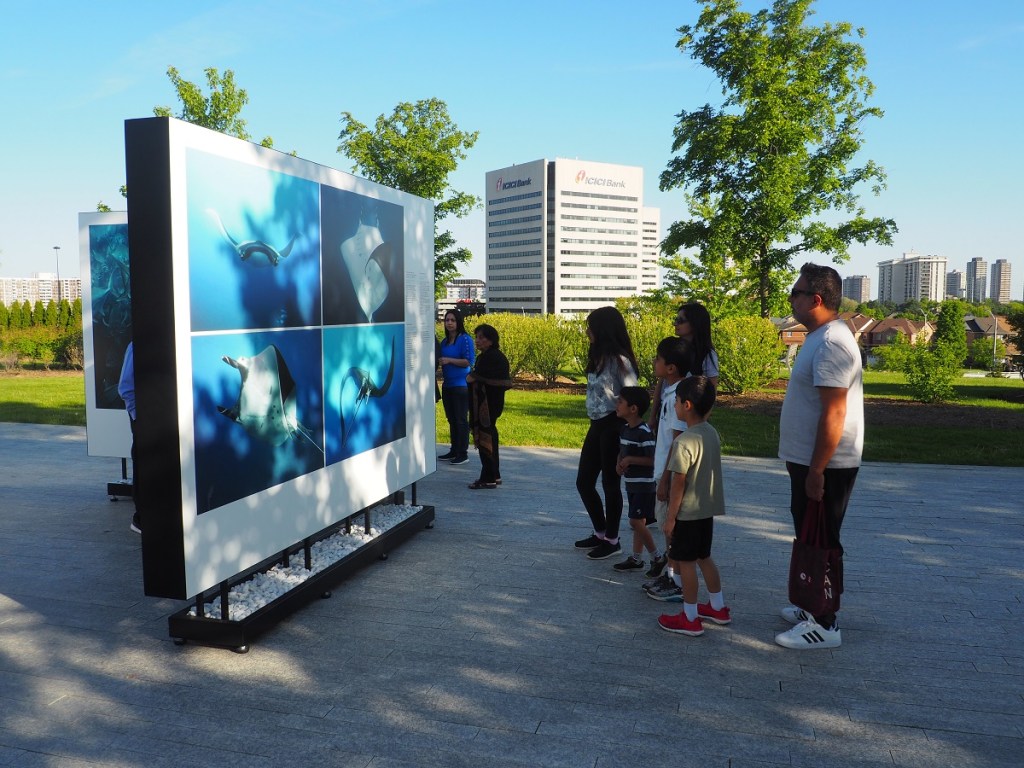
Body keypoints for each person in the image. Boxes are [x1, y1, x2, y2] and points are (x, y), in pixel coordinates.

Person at [775, 263, 864, 650]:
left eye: (795, 292)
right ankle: (813, 605)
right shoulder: (820, 335)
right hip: (810, 462)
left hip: (827, 466)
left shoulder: (832, 342)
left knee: (823, 539)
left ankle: (825, 624)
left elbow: (835, 413)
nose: (790, 299)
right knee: (810, 534)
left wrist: (817, 469)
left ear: (815, 299)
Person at [655, 376, 730, 637]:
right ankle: (718, 607)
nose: (674, 406)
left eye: (676, 402)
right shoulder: (712, 434)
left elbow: (678, 483)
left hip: (686, 514)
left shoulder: (683, 442)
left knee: (686, 563)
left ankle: (690, 617)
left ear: (686, 405)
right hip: (706, 511)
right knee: (704, 557)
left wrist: (670, 519)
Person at [574, 306, 639, 560]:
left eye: (591, 325)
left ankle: (612, 540)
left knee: (610, 485)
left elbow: (633, 395)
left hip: (614, 425)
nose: (587, 330)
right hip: (596, 424)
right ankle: (600, 532)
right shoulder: (597, 356)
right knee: (584, 482)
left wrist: (628, 431)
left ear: (603, 329)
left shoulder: (620, 361)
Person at [643, 337, 694, 597]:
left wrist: (664, 480)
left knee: (670, 528)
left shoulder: (680, 397)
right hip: (665, 471)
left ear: (671, 367)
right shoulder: (672, 391)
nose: (654, 362)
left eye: (658, 359)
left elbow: (678, 445)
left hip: (671, 475)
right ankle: (671, 576)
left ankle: (676, 582)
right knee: (667, 528)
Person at [612, 386, 662, 573]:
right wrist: (619, 463)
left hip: (644, 485)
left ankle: (657, 556)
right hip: (632, 484)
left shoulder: (644, 432)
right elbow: (622, 450)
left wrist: (631, 460)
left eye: (620, 402)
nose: (616, 405)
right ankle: (636, 558)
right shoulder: (625, 429)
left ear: (633, 409)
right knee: (638, 522)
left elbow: (653, 459)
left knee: (635, 522)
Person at [649, 301, 719, 435]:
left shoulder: (707, 354)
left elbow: (711, 391)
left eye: (680, 320)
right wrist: (652, 416)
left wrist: (700, 423)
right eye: (676, 319)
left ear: (695, 323)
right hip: (667, 409)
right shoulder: (672, 348)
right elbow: (662, 383)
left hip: (689, 415)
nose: (675, 324)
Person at [466, 323, 512, 489]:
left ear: (491, 340)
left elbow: (472, 378)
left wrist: (473, 378)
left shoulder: (491, 357)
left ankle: (488, 477)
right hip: (490, 406)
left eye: (481, 338)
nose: (477, 341)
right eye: (476, 337)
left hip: (488, 407)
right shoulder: (486, 356)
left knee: (487, 439)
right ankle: (494, 474)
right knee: (491, 437)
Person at [438, 308, 475, 465]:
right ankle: (454, 450)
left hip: (461, 386)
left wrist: (449, 360)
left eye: (452, 320)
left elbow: (469, 361)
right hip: (447, 386)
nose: (449, 323)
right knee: (451, 419)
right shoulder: (444, 342)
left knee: (461, 420)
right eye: (447, 320)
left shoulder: (465, 339)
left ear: (458, 322)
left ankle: (463, 453)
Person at [116, 341, 141, 534]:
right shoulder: (136, 346)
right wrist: (137, 416)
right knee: (144, 464)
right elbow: (126, 387)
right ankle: (141, 519)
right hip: (145, 419)